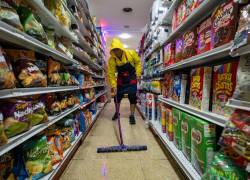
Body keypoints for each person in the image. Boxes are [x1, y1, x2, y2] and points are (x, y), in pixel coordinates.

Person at [108, 37, 142, 125]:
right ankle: (117, 112)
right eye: (114, 50)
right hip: (121, 80)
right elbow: (111, 74)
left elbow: (138, 63)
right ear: (112, 51)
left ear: (121, 48)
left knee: (132, 97)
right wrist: (113, 86)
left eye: (117, 49)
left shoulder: (131, 53)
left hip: (131, 78)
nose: (116, 52)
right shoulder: (112, 60)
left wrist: (138, 74)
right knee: (117, 98)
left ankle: (132, 115)